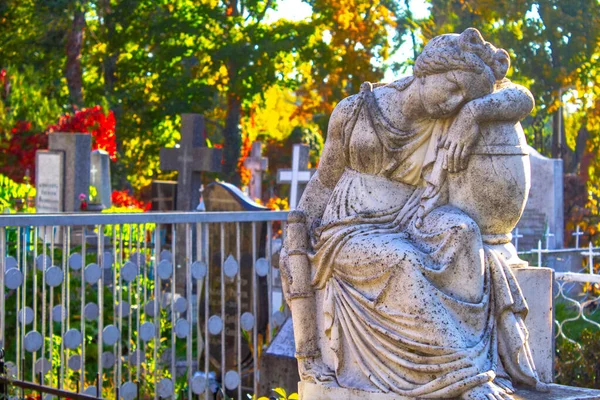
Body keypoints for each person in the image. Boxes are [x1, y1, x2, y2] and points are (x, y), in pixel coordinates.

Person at [282, 28, 547, 400]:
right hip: (349, 229)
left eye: (463, 98)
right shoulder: (356, 109)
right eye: (453, 87)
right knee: (400, 257)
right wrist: (297, 228)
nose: (453, 100)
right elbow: (325, 179)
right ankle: (466, 375)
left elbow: (522, 97)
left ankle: (476, 360)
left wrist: (473, 112)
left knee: (462, 231)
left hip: (412, 217)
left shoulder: (450, 115)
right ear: (429, 70)